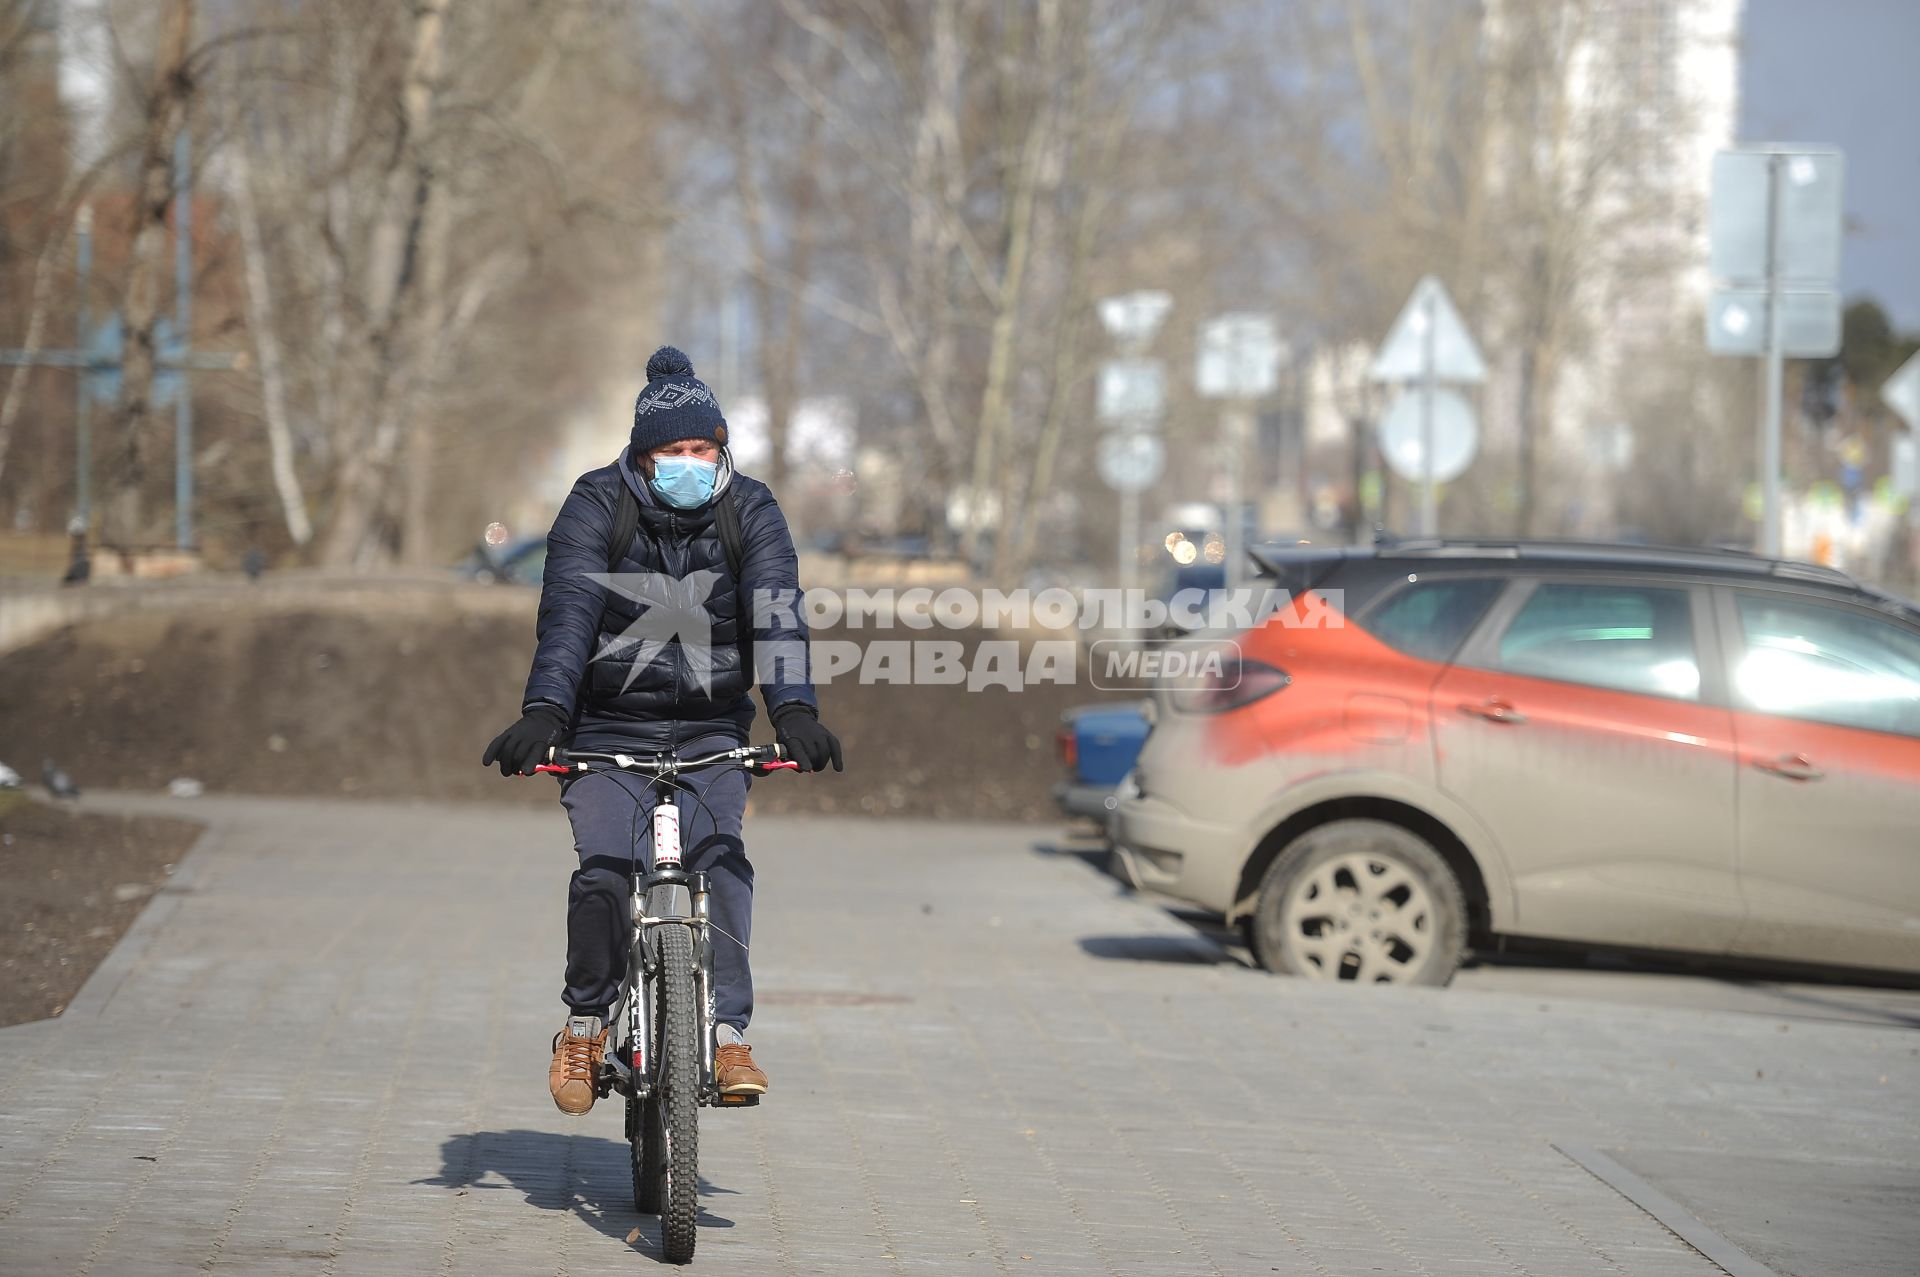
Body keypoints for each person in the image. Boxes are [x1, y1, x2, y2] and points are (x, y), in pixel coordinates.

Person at [482, 345, 842, 1116]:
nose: (690, 463)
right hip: (606, 728)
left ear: (721, 450)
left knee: (725, 868)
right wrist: (546, 712)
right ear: (643, 457)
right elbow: (569, 616)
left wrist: (795, 711)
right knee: (607, 873)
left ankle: (725, 1033)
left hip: (713, 730)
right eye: (673, 451)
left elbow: (777, 610)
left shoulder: (750, 508)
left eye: (703, 449)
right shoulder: (594, 503)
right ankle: (584, 1021)